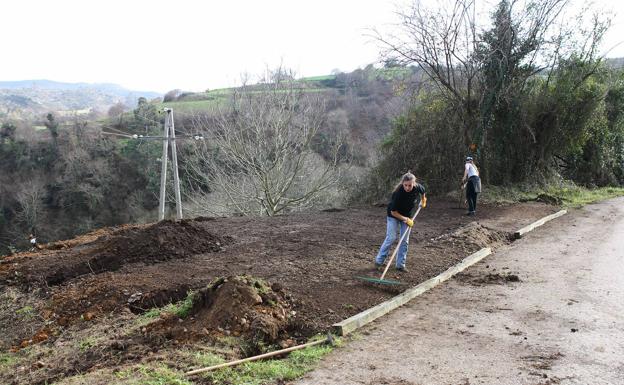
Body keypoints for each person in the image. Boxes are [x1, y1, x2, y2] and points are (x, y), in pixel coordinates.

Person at [374, 171, 426, 272]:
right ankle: (379, 261)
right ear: (402, 183)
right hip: (393, 215)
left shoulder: (417, 187)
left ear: (414, 183)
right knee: (391, 237)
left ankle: (400, 265)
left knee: (404, 240)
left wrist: (423, 200)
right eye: (405, 185)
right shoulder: (397, 194)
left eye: (410, 185)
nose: (407, 187)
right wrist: (406, 219)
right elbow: (393, 212)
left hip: (407, 215)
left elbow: (423, 191)